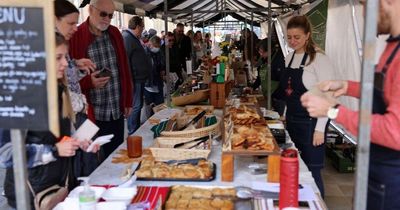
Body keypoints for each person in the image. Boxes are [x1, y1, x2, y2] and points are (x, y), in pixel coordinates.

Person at [301, 0, 400, 208]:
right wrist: (348, 86)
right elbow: (386, 89)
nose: (364, 14)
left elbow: (394, 131)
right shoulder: (392, 45)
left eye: (366, 5)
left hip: (392, 179)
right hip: (377, 169)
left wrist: (332, 111)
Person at [1, 33, 99, 209]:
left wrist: (80, 141)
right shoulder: (18, 97)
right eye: (58, 58)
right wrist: (54, 151)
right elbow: (7, 154)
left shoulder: (58, 90)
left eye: (65, 57)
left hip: (56, 186)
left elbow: (63, 132)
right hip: (29, 194)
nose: (65, 63)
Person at [273, 15, 335, 197]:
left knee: (313, 173)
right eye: (289, 37)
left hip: (312, 124)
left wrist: (320, 130)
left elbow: (329, 97)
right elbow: (288, 91)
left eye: (297, 37)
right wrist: (284, 114)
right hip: (292, 121)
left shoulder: (319, 59)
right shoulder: (289, 58)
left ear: (307, 35)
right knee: (296, 168)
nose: (292, 41)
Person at [69, 0, 133, 160]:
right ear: (90, 10)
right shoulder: (76, 35)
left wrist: (127, 100)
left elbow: (124, 68)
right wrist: (88, 82)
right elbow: (69, 79)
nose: (107, 19)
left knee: (116, 157)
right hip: (92, 114)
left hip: (115, 111)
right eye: (103, 14)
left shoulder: (115, 33)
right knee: (92, 159)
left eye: (110, 15)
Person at [54, 0, 100, 176]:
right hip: (70, 116)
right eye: (71, 23)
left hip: (76, 114)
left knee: (88, 160)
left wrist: (75, 65)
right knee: (83, 169)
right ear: (54, 19)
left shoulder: (60, 42)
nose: (75, 27)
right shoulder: (48, 45)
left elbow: (68, 78)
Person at [122, 16, 152, 134]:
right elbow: (126, 61)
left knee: (138, 106)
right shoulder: (127, 38)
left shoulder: (133, 38)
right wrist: (130, 81)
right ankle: (133, 131)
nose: (142, 29)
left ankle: (135, 128)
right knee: (136, 106)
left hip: (138, 79)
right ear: (138, 26)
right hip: (135, 79)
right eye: (142, 27)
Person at [252, 38, 286, 114]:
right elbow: (261, 76)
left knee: (276, 118)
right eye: (259, 51)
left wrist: (274, 96)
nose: (260, 54)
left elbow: (282, 80)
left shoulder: (278, 60)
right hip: (267, 95)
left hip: (277, 97)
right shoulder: (264, 59)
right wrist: (253, 87)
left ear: (269, 50)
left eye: (262, 52)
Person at [144, 35, 165, 113]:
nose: (157, 48)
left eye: (158, 46)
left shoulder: (159, 52)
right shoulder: (144, 53)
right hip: (148, 84)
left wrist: (162, 69)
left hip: (158, 83)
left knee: (160, 106)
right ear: (150, 44)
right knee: (150, 108)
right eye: (155, 46)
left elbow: (162, 62)